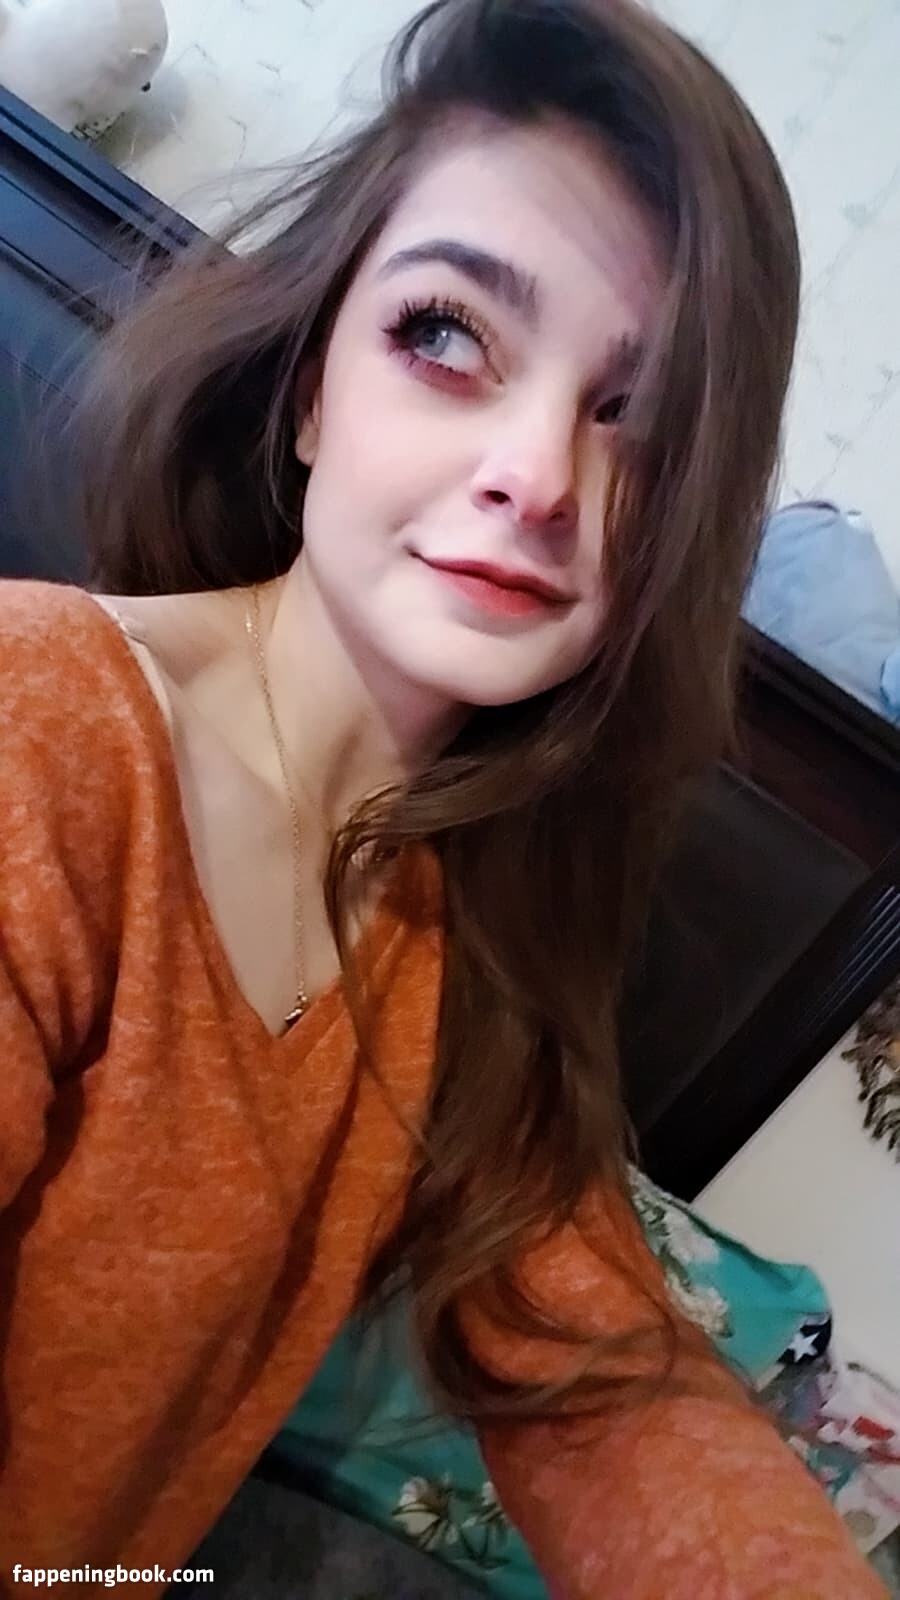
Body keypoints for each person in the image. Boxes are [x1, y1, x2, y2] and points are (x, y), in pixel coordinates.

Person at [0, 0, 886, 1595]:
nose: (539, 477)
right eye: (448, 334)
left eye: (641, 420)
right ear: (311, 389)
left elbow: (606, 1383)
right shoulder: (36, 728)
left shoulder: (460, 943)